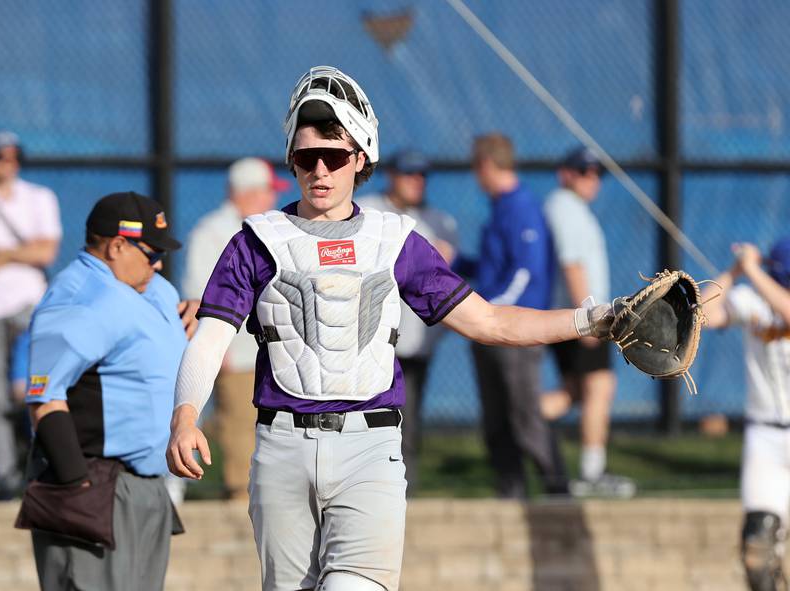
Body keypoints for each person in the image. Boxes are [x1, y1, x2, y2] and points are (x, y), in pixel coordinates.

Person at [166, 65, 617, 591]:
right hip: (281, 447)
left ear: (359, 160)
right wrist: (185, 416)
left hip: (369, 447)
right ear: (291, 161)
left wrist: (592, 319)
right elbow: (210, 337)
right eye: (306, 156)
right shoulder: (256, 240)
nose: (320, 170)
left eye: (334, 156)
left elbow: (489, 320)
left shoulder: (395, 240)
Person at [18, 192, 198, 591]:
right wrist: (77, 490)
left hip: (147, 485)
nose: (159, 263)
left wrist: (192, 314)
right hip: (97, 485)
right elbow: (45, 398)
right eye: (151, 253)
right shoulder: (82, 296)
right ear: (117, 245)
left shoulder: (151, 289)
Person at [450, 133, 568, 499]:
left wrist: (490, 311)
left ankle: (557, 487)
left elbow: (526, 273)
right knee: (496, 418)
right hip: (488, 330)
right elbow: (492, 269)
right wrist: (453, 260)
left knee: (525, 414)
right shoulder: (501, 208)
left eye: (476, 168)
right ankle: (510, 488)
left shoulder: (521, 209)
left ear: (486, 165)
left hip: (514, 333)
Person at [183, 157, 289, 500]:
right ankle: (239, 494)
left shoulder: (269, 227)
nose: (271, 198)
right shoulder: (212, 230)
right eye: (266, 191)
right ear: (247, 193)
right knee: (240, 422)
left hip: (272, 348)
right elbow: (200, 293)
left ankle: (261, 491)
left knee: (257, 422)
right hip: (237, 348)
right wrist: (217, 347)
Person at [357, 149, 458, 495]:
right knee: (367, 421)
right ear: (392, 176)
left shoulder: (440, 221)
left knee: (407, 420)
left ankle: (402, 489)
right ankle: (368, 487)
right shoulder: (368, 210)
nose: (416, 182)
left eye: (421, 176)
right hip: (369, 340)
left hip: (416, 339)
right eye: (408, 175)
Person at [541, 146, 635, 498]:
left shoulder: (571, 208)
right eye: (584, 171)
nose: (591, 179)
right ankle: (592, 473)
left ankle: (520, 424)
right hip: (580, 318)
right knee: (600, 387)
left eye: (596, 173)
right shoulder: (565, 208)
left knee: (574, 392)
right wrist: (589, 321)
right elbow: (573, 265)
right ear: (565, 173)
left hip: (577, 316)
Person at [701, 238, 790, 591]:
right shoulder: (753, 300)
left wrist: (752, 270)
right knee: (757, 547)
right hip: (764, 436)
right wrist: (735, 271)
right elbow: (702, 313)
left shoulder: (769, 293)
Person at [0, 129, 62, 500]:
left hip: (30, 308)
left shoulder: (38, 197)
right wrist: (22, 250)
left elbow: (46, 251)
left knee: (37, 389)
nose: (6, 163)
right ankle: (6, 478)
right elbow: (34, 248)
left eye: (12, 156)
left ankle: (43, 469)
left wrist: (0, 256)